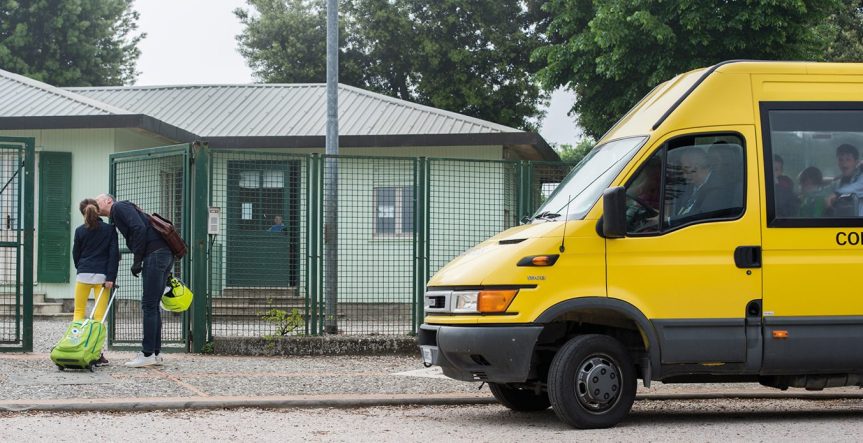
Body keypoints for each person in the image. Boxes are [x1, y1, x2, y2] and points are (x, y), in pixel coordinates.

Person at [95, 193, 173, 368]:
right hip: (163, 254)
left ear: (109, 200)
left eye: (97, 199)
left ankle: (147, 354)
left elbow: (138, 228)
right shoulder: (120, 211)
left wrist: (137, 258)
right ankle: (155, 353)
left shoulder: (119, 207)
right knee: (153, 305)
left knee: (148, 305)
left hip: (155, 254)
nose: (95, 203)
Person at [72, 198, 120, 366]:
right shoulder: (109, 230)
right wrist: (110, 278)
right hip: (102, 277)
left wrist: (82, 268)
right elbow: (114, 255)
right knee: (99, 317)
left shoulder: (79, 231)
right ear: (98, 210)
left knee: (78, 313)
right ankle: (96, 353)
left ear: (82, 213)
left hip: (83, 275)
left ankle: (75, 347)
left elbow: (76, 254)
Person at [676, 148, 728, 216]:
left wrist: (669, 220)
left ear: (697, 167)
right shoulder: (691, 186)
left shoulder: (717, 188)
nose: (684, 176)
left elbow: (701, 216)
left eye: (686, 170)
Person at [826, 144, 863, 216]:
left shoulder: (860, 178)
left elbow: (857, 187)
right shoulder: (837, 183)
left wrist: (836, 194)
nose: (844, 163)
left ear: (856, 162)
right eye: (840, 159)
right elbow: (825, 192)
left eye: (848, 159)